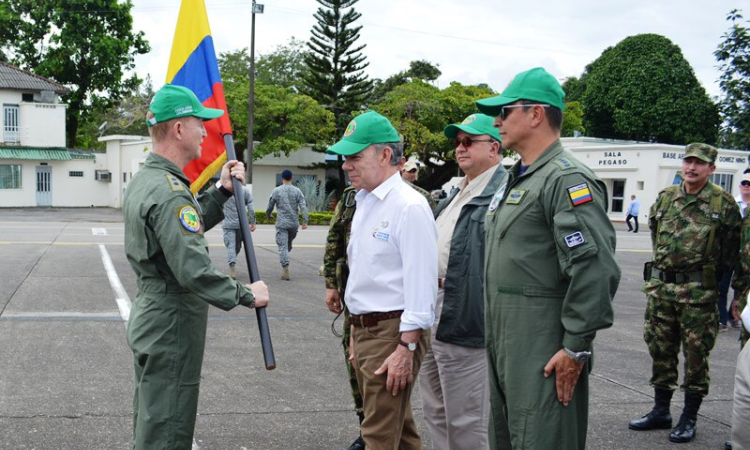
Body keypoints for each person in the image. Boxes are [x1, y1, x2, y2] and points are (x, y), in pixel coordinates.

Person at [476, 67, 620, 450]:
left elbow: (595, 267)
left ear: (536, 114)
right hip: (505, 342)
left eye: (505, 112)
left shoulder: (565, 180)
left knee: (544, 438)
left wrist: (576, 346)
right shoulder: (518, 177)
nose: (497, 121)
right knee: (507, 437)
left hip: (542, 347)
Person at [123, 84, 270, 449]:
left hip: (154, 313)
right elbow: (191, 267)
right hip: (171, 321)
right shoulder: (170, 191)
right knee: (168, 427)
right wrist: (245, 294)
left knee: (154, 418)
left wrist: (220, 191)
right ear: (177, 129)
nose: (206, 131)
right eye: (199, 123)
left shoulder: (151, 181)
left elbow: (179, 233)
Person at [327, 110, 438, 450]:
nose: (347, 165)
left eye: (356, 157)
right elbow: (364, 275)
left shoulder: (409, 207)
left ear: (386, 155)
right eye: (346, 158)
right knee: (400, 432)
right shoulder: (364, 202)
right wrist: (355, 335)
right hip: (364, 331)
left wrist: (406, 347)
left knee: (377, 435)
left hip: (392, 332)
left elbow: (422, 286)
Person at [628, 143, 740, 443]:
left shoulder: (723, 204)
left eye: (699, 163)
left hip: (699, 295)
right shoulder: (666, 197)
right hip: (662, 290)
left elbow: (733, 252)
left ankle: (689, 416)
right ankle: (661, 410)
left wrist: (730, 290)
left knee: (696, 357)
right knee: (660, 350)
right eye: (688, 161)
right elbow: (655, 232)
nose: (691, 167)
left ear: (711, 169)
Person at [418, 113, 507, 450]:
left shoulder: (502, 193)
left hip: (466, 311)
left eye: (469, 141)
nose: (459, 148)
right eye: (457, 142)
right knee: (436, 409)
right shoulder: (457, 192)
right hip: (434, 309)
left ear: (494, 148)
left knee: (466, 416)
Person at [323, 184, 366, 450]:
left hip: (390, 307)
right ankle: (365, 427)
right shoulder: (352, 197)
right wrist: (331, 283)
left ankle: (380, 429)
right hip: (353, 297)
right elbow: (334, 238)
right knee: (355, 366)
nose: (349, 165)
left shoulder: (416, 199)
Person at [266, 169, 308, 281]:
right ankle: (287, 248)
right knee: (287, 244)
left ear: (282, 178)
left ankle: (285, 270)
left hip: (282, 223)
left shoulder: (276, 190)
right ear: (291, 178)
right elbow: (303, 206)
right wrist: (305, 220)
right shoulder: (297, 191)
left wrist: (268, 214)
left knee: (283, 246)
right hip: (294, 224)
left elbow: (270, 205)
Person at [222, 184, 256, 279]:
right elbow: (251, 209)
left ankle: (232, 266)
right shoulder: (245, 190)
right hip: (241, 224)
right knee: (237, 246)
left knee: (231, 246)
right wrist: (252, 222)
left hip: (228, 224)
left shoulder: (224, 190)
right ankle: (232, 261)